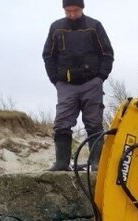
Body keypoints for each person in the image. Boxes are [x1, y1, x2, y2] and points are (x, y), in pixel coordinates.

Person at [42, 0, 114, 171]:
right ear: (64, 10)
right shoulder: (56, 28)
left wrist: (100, 77)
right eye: (68, 11)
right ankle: (61, 163)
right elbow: (48, 56)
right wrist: (56, 80)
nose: (72, 14)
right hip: (66, 85)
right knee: (62, 123)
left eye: (75, 10)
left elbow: (107, 53)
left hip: (92, 83)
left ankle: (97, 163)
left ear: (82, 8)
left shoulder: (94, 26)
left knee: (94, 123)